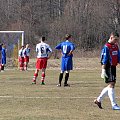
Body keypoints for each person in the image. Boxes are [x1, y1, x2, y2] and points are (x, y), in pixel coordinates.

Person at [94, 31, 120, 110]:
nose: (117, 41)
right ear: (111, 37)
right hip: (108, 67)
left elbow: (118, 57)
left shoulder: (116, 46)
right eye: (115, 39)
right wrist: (103, 70)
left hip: (113, 67)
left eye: (117, 40)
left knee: (111, 85)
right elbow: (104, 60)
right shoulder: (106, 47)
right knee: (111, 85)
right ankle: (114, 105)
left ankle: (98, 100)